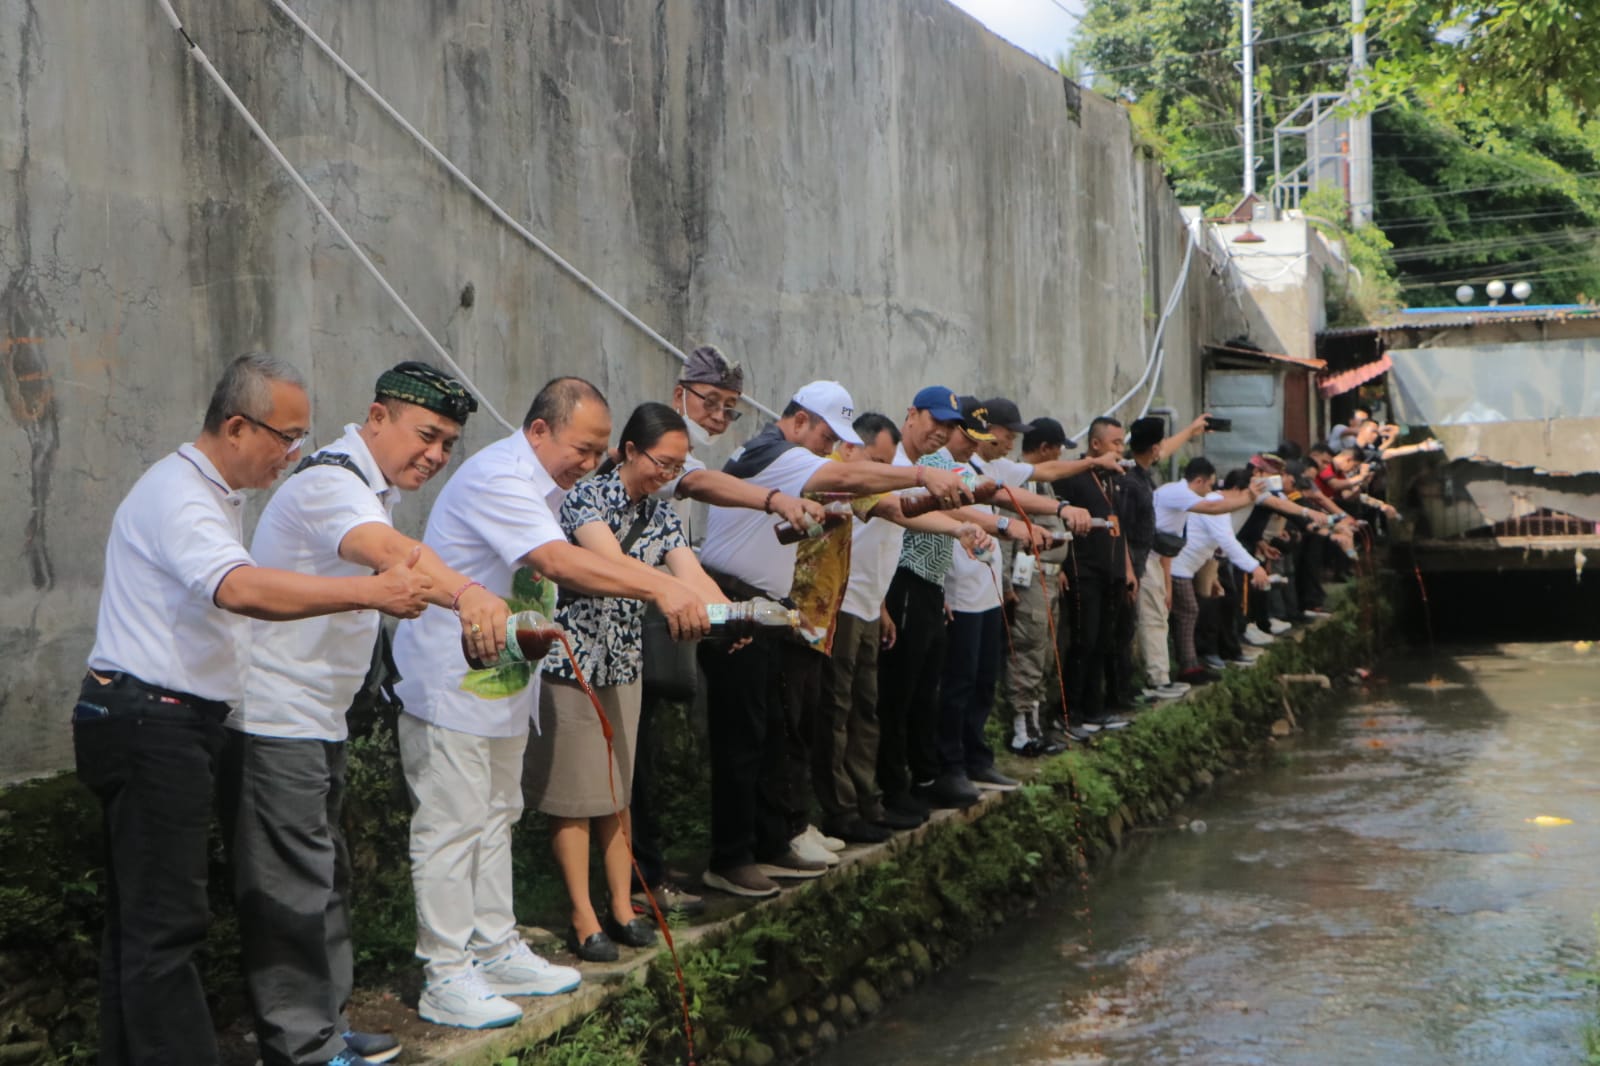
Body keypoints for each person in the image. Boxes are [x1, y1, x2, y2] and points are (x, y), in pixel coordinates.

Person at [75, 353, 432, 1066]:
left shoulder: (213, 495)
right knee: (167, 927)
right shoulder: (178, 493)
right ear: (237, 427)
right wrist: (370, 593)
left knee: (143, 925)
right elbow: (237, 589)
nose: (294, 454)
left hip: (166, 720)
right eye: (286, 437)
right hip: (150, 721)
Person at [391, 377, 710, 1030]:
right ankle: (446, 974)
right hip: (453, 685)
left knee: (495, 817)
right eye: (584, 449)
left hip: (505, 685)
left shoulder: (548, 487)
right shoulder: (501, 479)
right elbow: (557, 562)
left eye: (599, 453)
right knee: (450, 829)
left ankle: (495, 946)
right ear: (539, 431)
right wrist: (661, 588)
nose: (590, 464)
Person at [221, 363, 507, 1066]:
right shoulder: (331, 485)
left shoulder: (364, 488)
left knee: (323, 879)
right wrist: (469, 595)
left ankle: (326, 1026)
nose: (435, 455)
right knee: (290, 891)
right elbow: (388, 556)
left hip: (315, 720)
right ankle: (304, 1048)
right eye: (426, 434)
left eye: (447, 444)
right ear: (377, 417)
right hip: (272, 720)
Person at [697, 381, 972, 898]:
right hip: (735, 602)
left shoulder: (793, 457)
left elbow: (881, 502)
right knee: (745, 739)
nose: (827, 446)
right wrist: (920, 473)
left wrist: (965, 517)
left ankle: (769, 840)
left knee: (773, 732)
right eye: (825, 434)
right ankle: (731, 856)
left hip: (769, 607)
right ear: (798, 421)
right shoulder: (777, 454)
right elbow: (849, 475)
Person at [524, 403, 730, 962]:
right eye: (662, 461)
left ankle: (621, 904)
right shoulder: (585, 498)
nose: (669, 473)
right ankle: (581, 913)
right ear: (631, 452)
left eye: (679, 465)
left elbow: (693, 573)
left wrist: (729, 613)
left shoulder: (663, 516)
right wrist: (674, 594)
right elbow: (613, 565)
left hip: (624, 663)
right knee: (574, 796)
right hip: (572, 662)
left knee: (618, 792)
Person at [630, 347, 824, 918]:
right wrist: (773, 499)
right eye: (708, 401)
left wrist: (726, 613)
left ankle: (676, 867)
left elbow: (683, 553)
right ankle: (651, 879)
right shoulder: (668, 461)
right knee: (641, 762)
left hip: (691, 604)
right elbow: (697, 485)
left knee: (745, 731)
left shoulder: (686, 463)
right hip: (628, 623)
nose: (716, 416)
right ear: (678, 395)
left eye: (729, 408)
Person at [1053, 418, 1140, 737]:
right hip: (1083, 571)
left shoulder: (1112, 479)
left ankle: (1095, 709)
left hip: (1111, 573)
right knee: (1083, 641)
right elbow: (1055, 517)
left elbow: (1120, 528)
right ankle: (1069, 712)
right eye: (1115, 443)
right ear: (1095, 445)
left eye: (1122, 443)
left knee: (1104, 642)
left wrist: (1128, 569)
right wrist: (1061, 567)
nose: (1121, 449)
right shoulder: (1073, 477)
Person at [1167, 460, 1270, 684]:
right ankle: (1188, 666)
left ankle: (1192, 663)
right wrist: (1255, 567)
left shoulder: (1216, 503)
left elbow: (1217, 545)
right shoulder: (1215, 504)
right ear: (1236, 492)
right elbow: (1227, 541)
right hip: (1179, 567)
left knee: (1194, 610)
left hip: (1192, 565)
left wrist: (1213, 577)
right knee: (1190, 612)